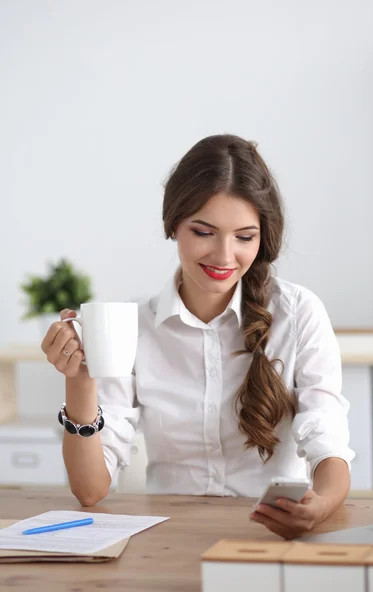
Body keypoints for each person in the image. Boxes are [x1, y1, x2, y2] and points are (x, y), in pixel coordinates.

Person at [41, 133, 354, 540]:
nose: (225, 257)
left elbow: (326, 439)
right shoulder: (133, 326)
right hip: (169, 541)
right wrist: (80, 379)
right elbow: (90, 490)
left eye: (244, 237)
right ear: (174, 226)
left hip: (269, 538)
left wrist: (322, 505)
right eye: (204, 232)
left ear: (263, 236)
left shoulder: (297, 314)